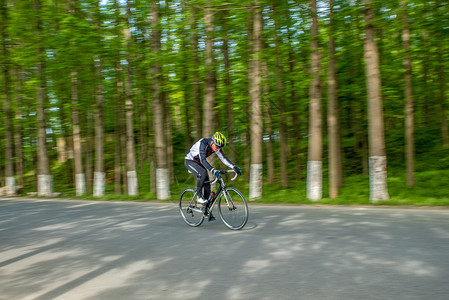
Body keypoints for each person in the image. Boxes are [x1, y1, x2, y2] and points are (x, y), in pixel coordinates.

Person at [185, 132, 241, 209]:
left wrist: (233, 167)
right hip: (190, 161)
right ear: (212, 141)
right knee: (203, 174)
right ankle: (199, 196)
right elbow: (203, 160)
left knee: (208, 184)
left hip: (199, 162)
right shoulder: (203, 143)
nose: (217, 149)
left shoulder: (216, 147)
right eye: (217, 147)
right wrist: (213, 170)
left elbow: (223, 158)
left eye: (219, 148)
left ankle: (206, 209)